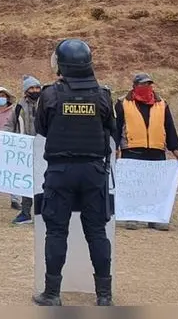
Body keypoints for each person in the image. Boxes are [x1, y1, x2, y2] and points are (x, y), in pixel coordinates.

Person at [32, 39, 115, 307]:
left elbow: (42, 128)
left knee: (56, 232)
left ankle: (52, 293)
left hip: (61, 171)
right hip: (93, 171)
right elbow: (110, 127)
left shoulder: (50, 95)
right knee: (97, 233)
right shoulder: (103, 95)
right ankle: (104, 295)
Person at [114, 73, 178, 230]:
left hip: (156, 149)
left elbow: (169, 127)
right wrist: (115, 147)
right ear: (134, 86)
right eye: (143, 84)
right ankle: (133, 216)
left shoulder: (162, 104)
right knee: (134, 187)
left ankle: (155, 218)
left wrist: (175, 148)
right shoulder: (122, 104)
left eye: (149, 84)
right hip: (132, 150)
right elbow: (117, 127)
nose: (147, 87)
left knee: (156, 188)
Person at [6, 76, 41, 224]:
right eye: (31, 88)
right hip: (25, 150)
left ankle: (43, 214)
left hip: (44, 147)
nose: (35, 91)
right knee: (27, 182)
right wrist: (1, 137)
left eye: (37, 88)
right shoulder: (19, 107)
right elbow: (10, 124)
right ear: (26, 91)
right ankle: (26, 212)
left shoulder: (47, 103)